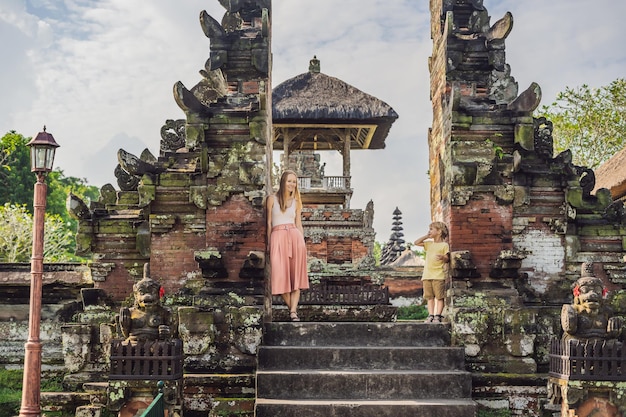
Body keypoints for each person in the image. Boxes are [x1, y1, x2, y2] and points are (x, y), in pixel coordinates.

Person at [266, 170, 309, 321]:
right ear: (283, 181)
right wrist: (268, 244)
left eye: (294, 182)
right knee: (280, 276)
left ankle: (293, 312)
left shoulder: (297, 202)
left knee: (296, 277)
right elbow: (269, 223)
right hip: (277, 238)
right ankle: (292, 309)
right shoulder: (272, 199)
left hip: (295, 238)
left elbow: (299, 224)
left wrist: (302, 243)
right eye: (289, 181)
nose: (292, 184)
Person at [414, 222, 450, 323]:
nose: (429, 231)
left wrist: (443, 257)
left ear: (439, 231)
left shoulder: (444, 245)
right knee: (429, 297)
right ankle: (430, 315)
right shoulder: (429, 244)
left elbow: (447, 258)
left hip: (438, 274)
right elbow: (416, 242)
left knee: (439, 297)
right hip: (427, 275)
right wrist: (427, 236)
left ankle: (437, 315)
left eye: (431, 229)